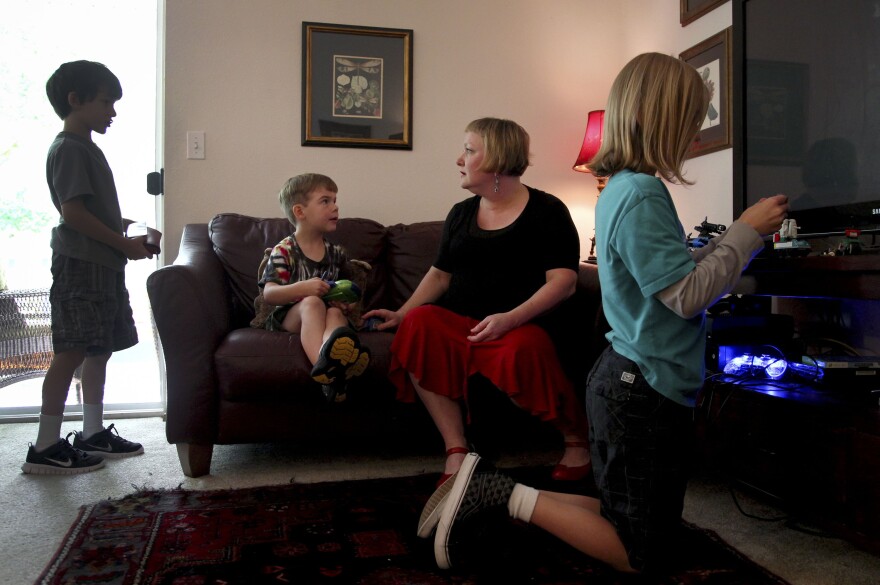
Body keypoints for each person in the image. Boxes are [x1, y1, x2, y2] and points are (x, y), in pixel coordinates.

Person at [421, 53, 789, 575]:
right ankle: (500, 495)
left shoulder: (623, 187)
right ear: (660, 120)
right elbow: (684, 296)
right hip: (644, 388)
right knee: (645, 553)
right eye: (692, 122)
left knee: (627, 514)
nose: (699, 138)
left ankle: (497, 493)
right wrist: (746, 232)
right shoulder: (640, 193)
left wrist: (730, 243)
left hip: (629, 381)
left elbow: (673, 273)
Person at [362, 117, 592, 489]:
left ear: (497, 158)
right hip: (464, 325)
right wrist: (402, 313)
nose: (459, 159)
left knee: (521, 348)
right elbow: (440, 275)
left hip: (522, 326)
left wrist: (510, 319)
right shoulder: (461, 213)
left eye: (469, 150)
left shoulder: (548, 211)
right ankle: (456, 448)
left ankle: (575, 437)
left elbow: (563, 283)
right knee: (419, 324)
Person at [22, 60, 154, 475]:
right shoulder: (69, 148)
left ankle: (93, 432)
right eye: (105, 102)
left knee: (101, 348)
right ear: (74, 100)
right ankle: (45, 445)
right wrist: (122, 243)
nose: (112, 112)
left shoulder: (88, 149)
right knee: (71, 351)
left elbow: (91, 210)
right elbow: (73, 213)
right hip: (80, 264)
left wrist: (126, 229)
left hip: (104, 265)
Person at [258, 173, 371, 403]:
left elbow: (342, 291)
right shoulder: (285, 250)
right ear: (300, 212)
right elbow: (269, 293)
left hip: (326, 315)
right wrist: (303, 288)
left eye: (335, 200)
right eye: (325, 201)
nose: (335, 207)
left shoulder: (335, 253)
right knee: (311, 303)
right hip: (291, 316)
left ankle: (335, 366)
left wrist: (345, 302)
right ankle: (326, 371)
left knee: (335, 312)